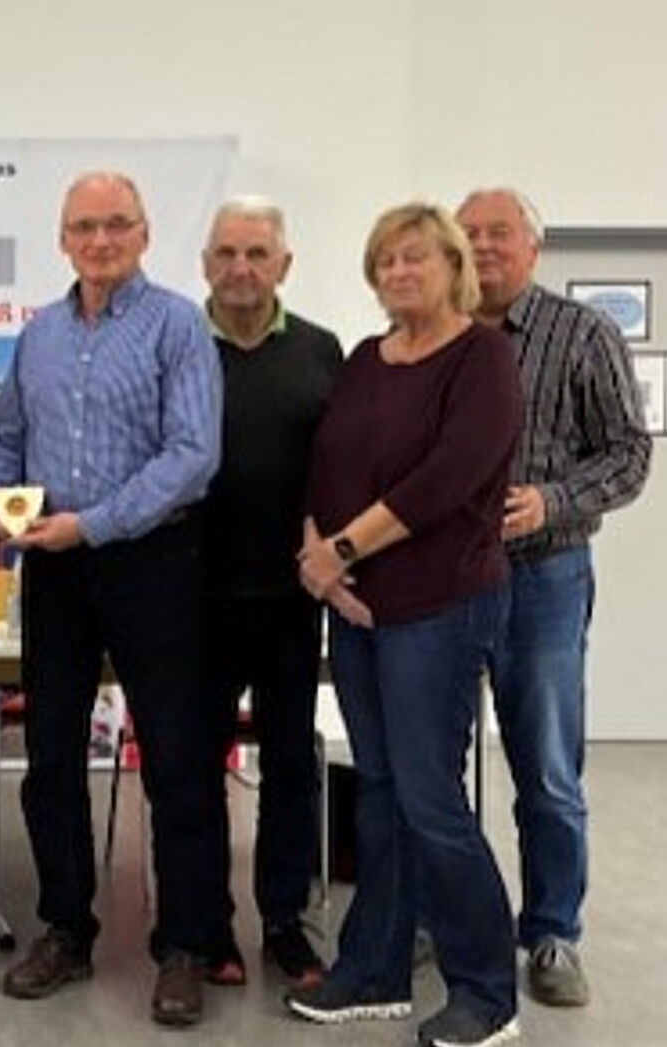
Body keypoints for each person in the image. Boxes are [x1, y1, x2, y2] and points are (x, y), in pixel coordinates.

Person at [0, 171, 226, 1027]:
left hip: (154, 560)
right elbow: (9, 445)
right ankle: (65, 929)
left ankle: (185, 943)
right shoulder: (38, 334)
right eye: (85, 226)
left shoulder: (177, 326)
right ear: (62, 238)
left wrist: (97, 524)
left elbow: (192, 455)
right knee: (49, 758)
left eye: (117, 224)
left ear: (145, 233)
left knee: (180, 761)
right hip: (57, 572)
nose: (101, 239)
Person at [284, 203, 523, 1047]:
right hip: (355, 609)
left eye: (415, 256)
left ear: (453, 264)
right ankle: (375, 969)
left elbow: (448, 479)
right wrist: (320, 556)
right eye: (385, 260)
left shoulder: (481, 357)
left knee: (429, 798)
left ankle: (487, 991)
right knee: (378, 794)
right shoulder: (363, 359)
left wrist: (343, 545)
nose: (398, 272)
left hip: (439, 607)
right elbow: (325, 466)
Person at [458, 187, 651, 1008]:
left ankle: (551, 932)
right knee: (433, 766)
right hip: (445, 582)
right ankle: (454, 918)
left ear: (533, 248)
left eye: (498, 233)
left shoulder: (583, 333)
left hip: (544, 577)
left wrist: (554, 501)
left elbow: (628, 455)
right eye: (468, 236)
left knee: (544, 764)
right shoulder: (437, 337)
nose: (483, 247)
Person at [196, 195, 343, 989]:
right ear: (205, 265)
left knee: (291, 764)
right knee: (193, 770)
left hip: (290, 601)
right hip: (195, 600)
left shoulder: (324, 352)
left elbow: (349, 468)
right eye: (226, 253)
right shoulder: (179, 345)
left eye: (257, 253)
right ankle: (205, 927)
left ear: (284, 264)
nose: (240, 268)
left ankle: (285, 923)